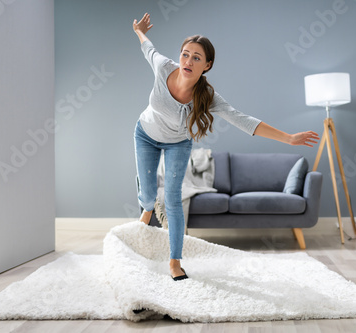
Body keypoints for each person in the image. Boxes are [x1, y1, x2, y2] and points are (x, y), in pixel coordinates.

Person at [132, 13, 319, 280]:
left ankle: (174, 262)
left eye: (197, 57)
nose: (188, 61)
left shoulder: (207, 96)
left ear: (207, 65)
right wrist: (139, 30)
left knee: (172, 200)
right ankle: (149, 208)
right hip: (145, 135)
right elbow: (148, 47)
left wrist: (288, 138)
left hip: (178, 144)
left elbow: (243, 120)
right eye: (185, 54)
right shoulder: (163, 68)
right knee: (149, 195)